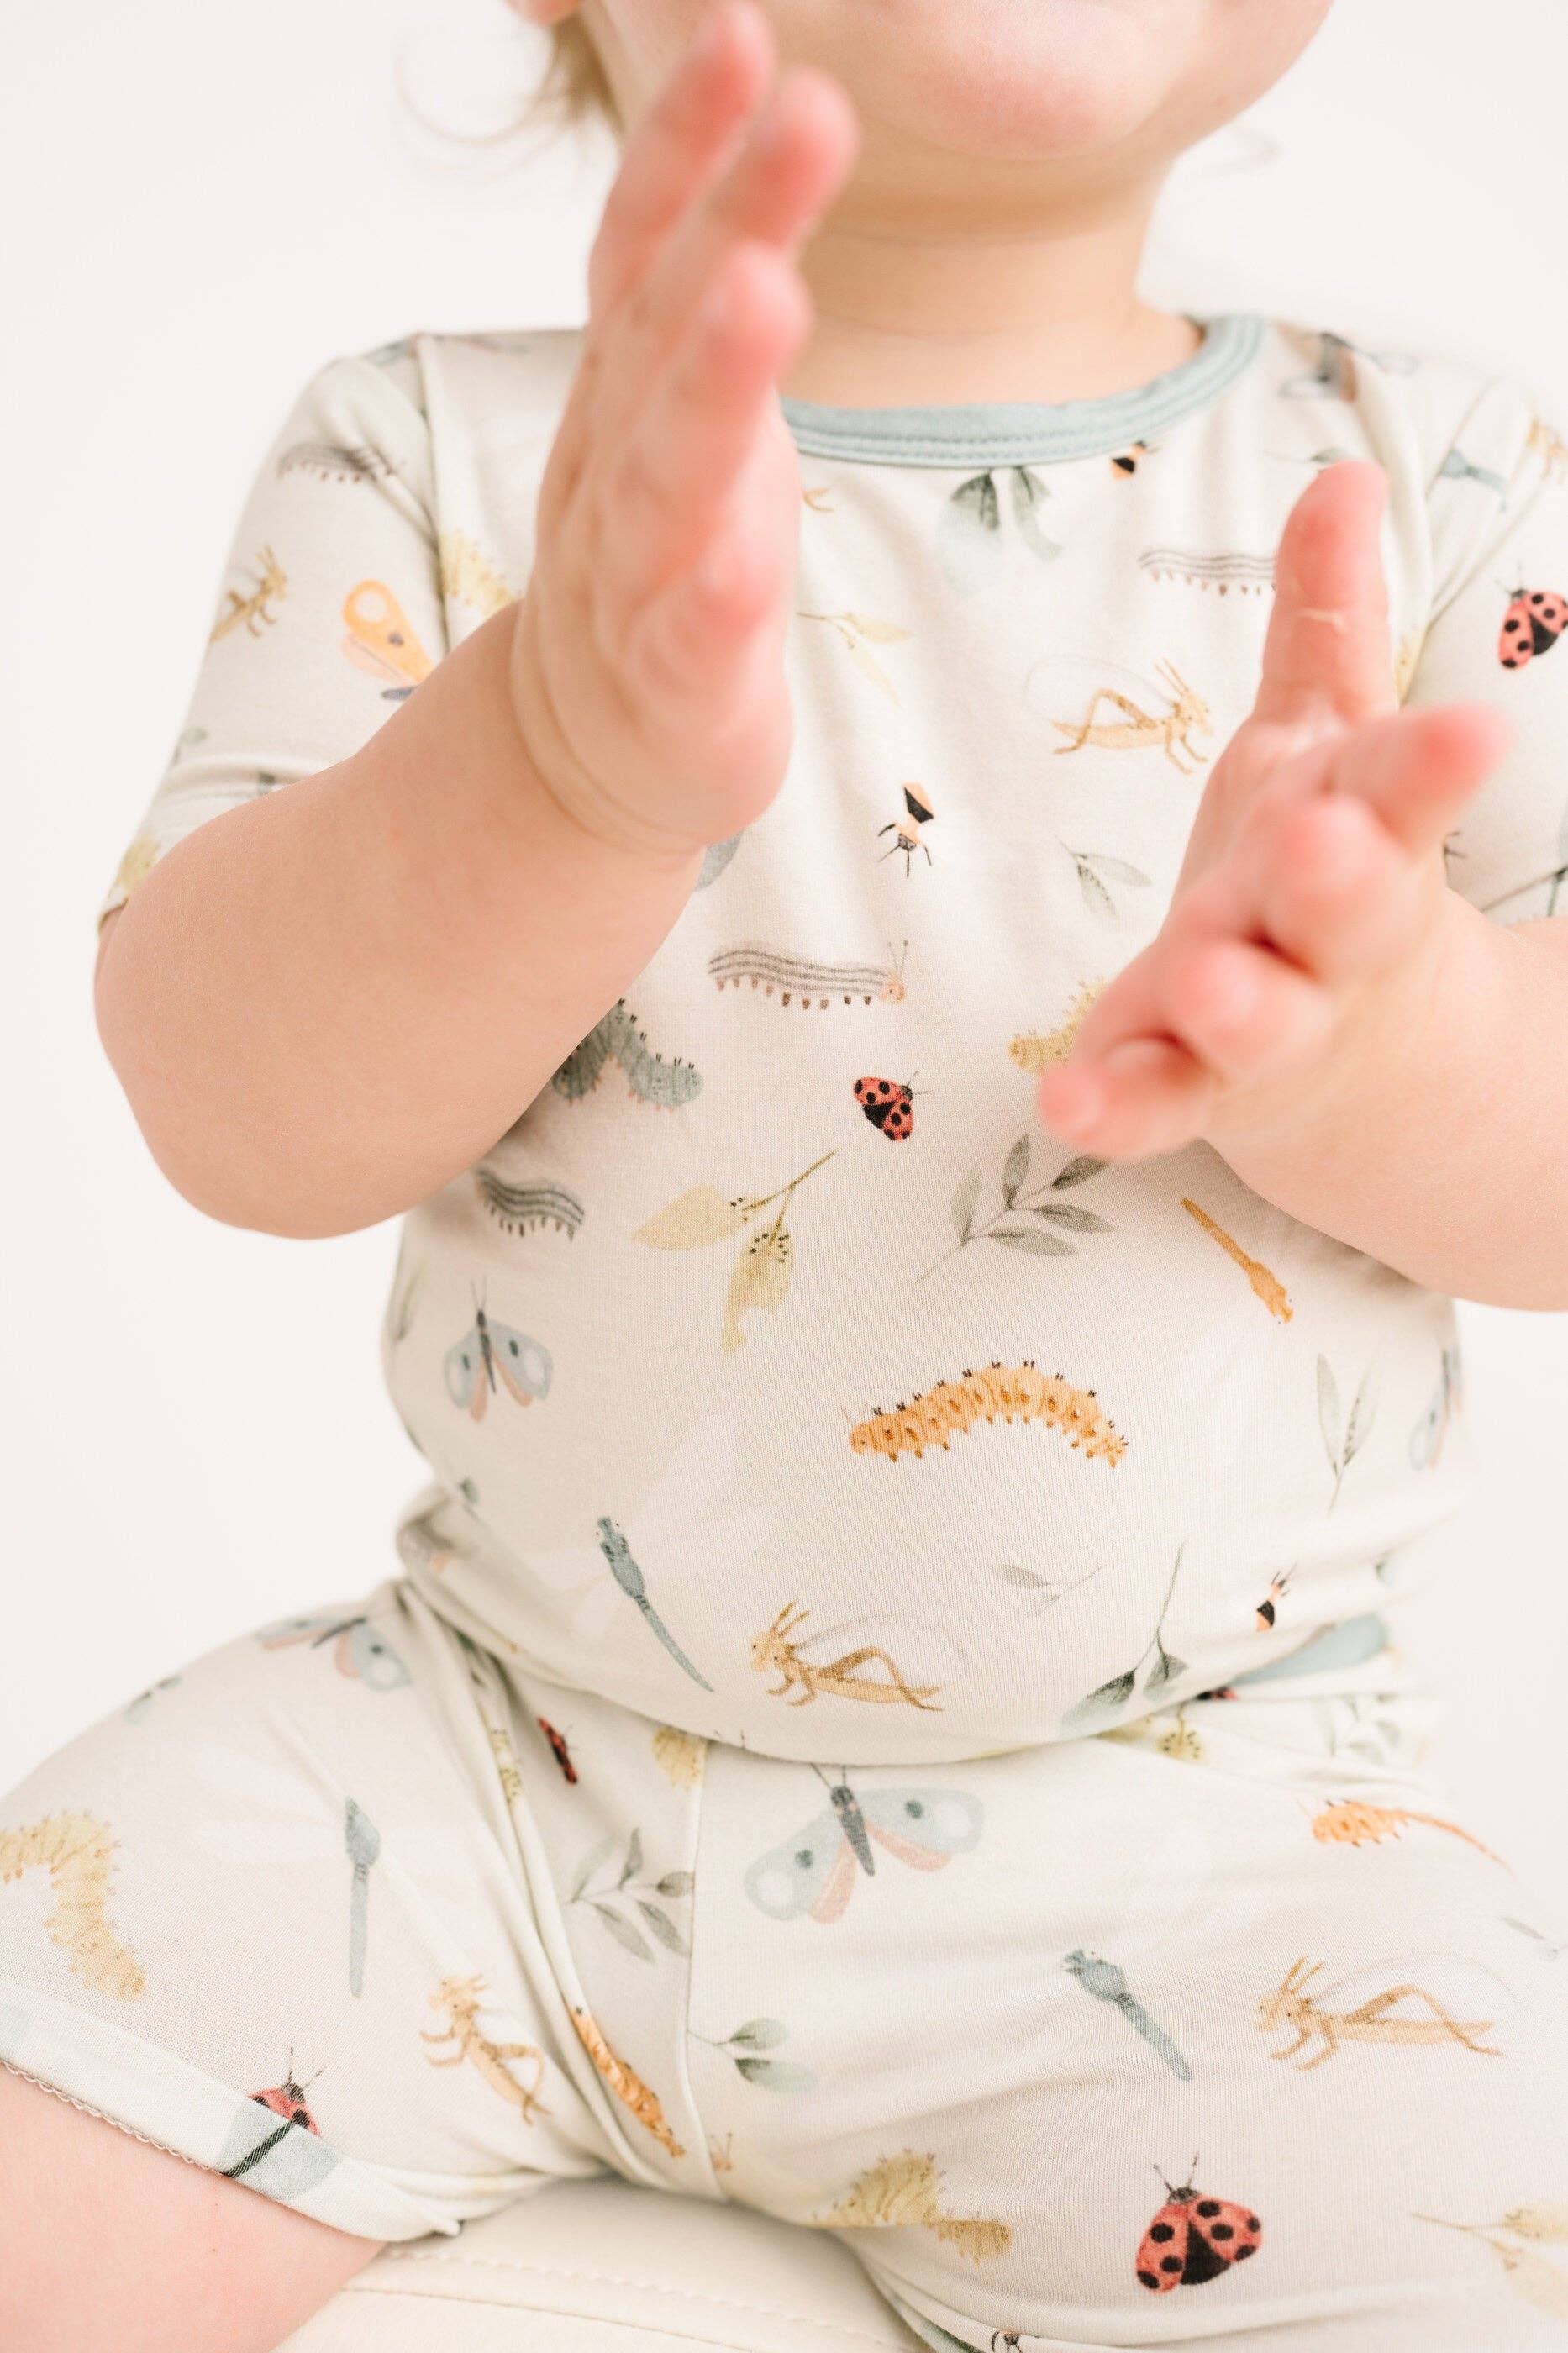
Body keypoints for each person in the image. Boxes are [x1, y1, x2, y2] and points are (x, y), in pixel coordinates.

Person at [7, 2, 1568, 2345]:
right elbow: (234, 1110)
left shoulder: (1439, 487)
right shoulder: (440, 452)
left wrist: (1390, 1042)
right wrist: (550, 766)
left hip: (1228, 1846)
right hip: (482, 1770)